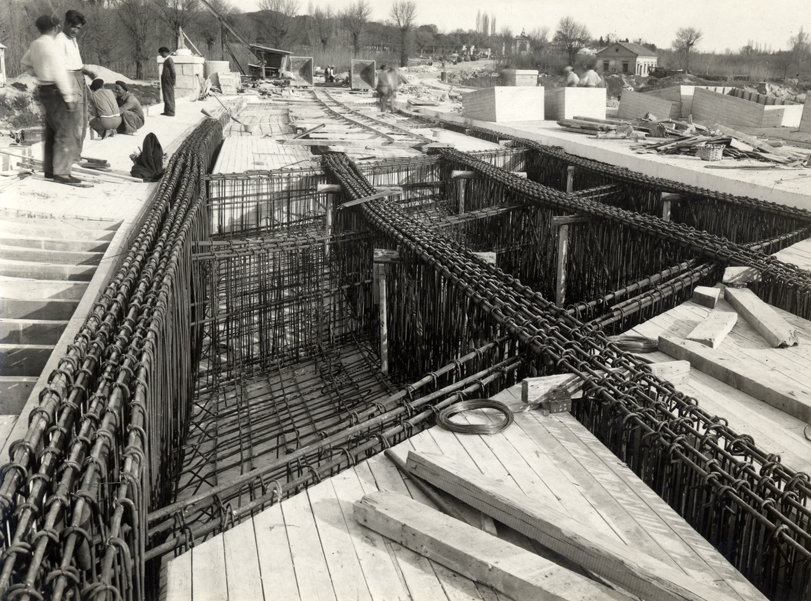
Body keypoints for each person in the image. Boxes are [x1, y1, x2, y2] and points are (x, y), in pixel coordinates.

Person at [21, 15, 83, 186]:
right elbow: (60, 73)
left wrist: (39, 74)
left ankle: (49, 170)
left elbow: (24, 63)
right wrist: (69, 97)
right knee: (65, 132)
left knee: (51, 132)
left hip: (44, 89)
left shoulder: (35, 44)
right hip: (57, 90)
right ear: (56, 28)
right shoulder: (54, 45)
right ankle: (62, 173)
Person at [55, 10, 96, 164]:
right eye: (73, 27)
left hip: (79, 78)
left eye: (78, 28)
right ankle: (70, 156)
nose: (76, 31)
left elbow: (75, 63)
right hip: (69, 79)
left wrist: (87, 72)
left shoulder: (72, 39)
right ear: (65, 23)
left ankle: (76, 154)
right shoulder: (59, 40)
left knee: (83, 120)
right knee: (74, 121)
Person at [159, 46, 175, 116]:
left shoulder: (169, 60)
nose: (161, 55)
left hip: (168, 80)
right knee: (165, 95)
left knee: (169, 95)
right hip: (165, 80)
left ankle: (171, 111)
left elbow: (173, 71)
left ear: (164, 52)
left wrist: (173, 80)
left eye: (161, 53)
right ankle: (167, 111)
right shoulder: (166, 60)